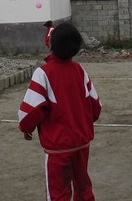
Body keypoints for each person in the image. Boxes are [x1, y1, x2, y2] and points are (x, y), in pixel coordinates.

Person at [19, 22, 102, 201]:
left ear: (51, 45)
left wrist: (26, 128)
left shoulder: (43, 73)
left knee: (58, 193)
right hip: (82, 143)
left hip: (58, 147)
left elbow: (30, 111)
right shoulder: (80, 71)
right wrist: (81, 125)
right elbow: (96, 106)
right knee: (83, 187)